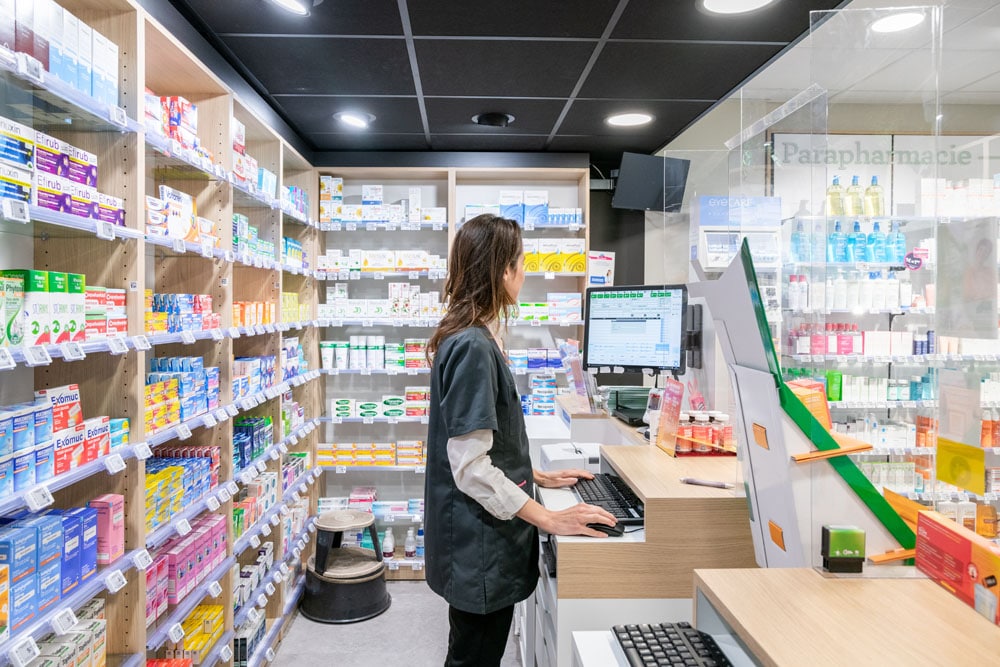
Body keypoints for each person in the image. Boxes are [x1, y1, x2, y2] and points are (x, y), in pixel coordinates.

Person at [424, 214, 617, 667]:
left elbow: (483, 443)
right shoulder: (473, 345)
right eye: (521, 263)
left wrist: (534, 473)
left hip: (475, 541)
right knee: (473, 657)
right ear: (503, 271)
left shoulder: (470, 333)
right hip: (479, 546)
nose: (524, 272)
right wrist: (551, 521)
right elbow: (471, 467)